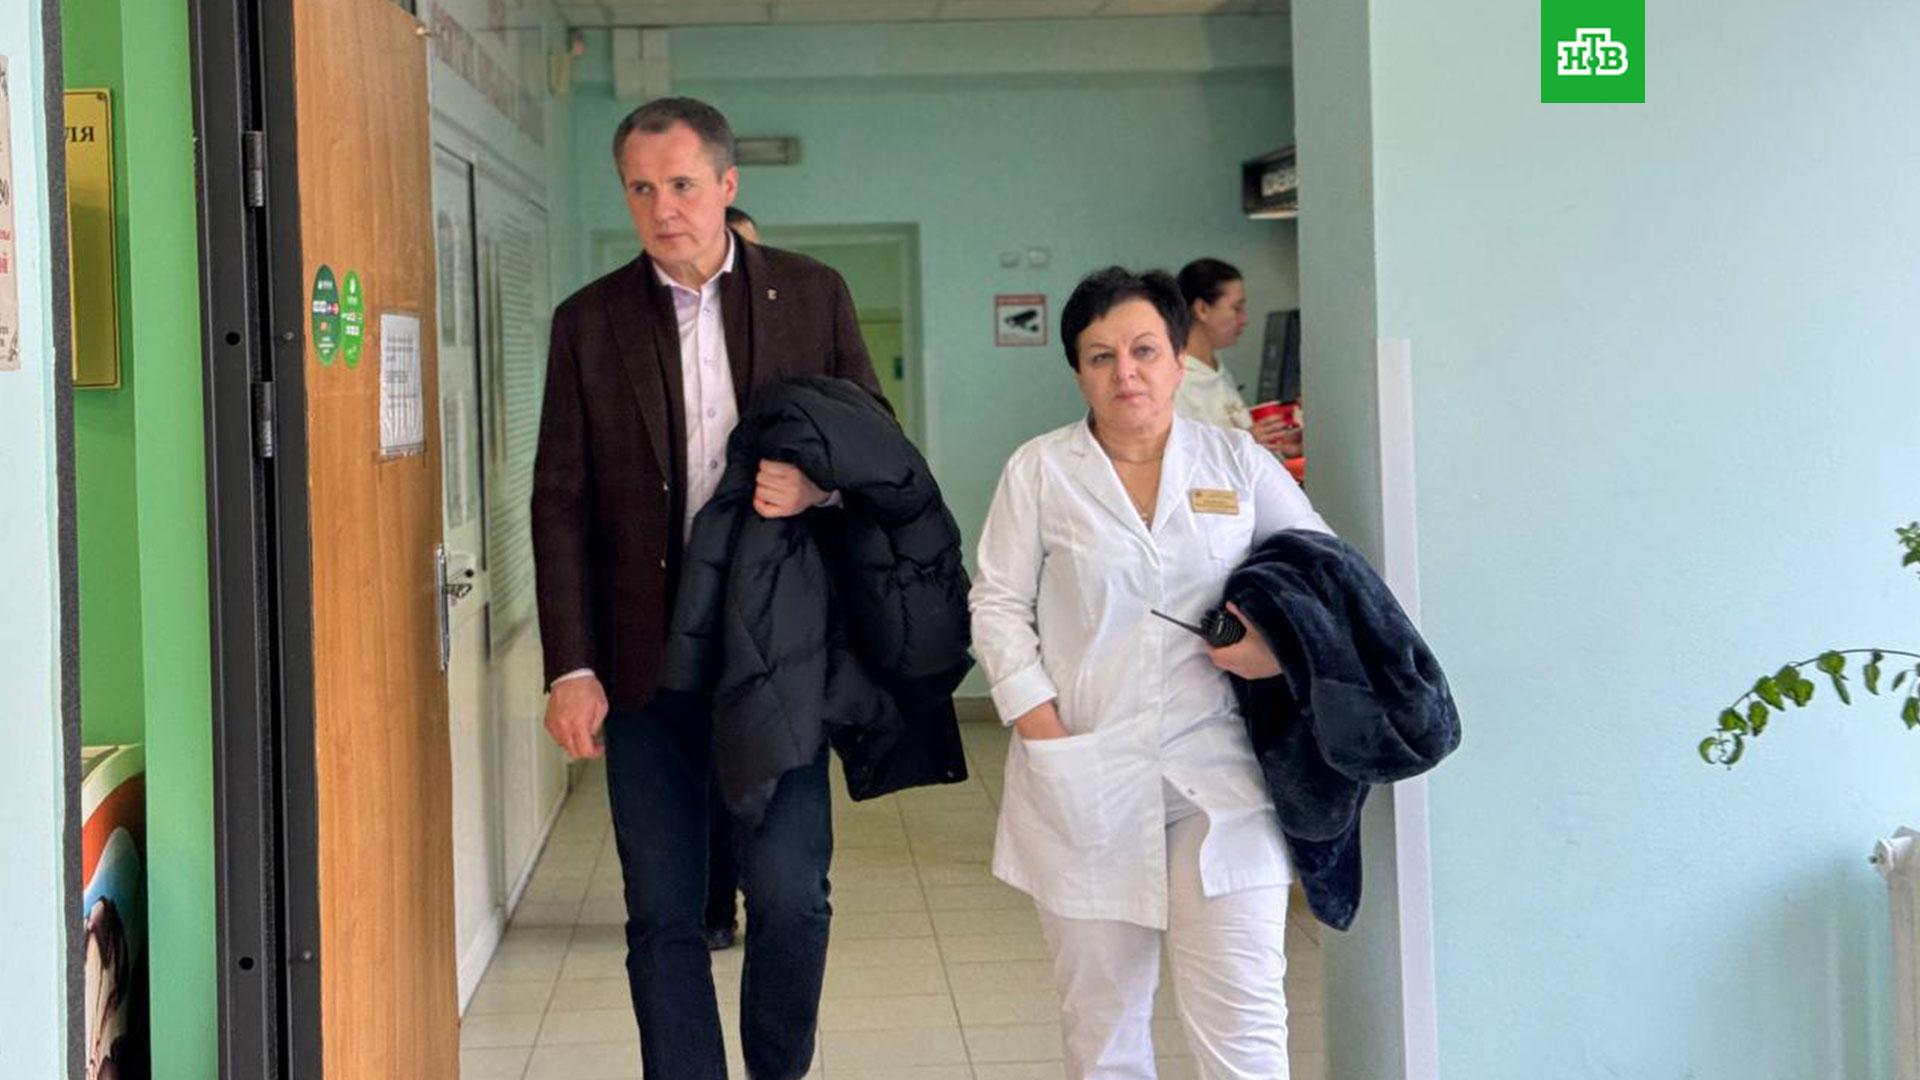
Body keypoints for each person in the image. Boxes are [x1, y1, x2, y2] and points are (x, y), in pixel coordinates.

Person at [532, 96, 885, 1080]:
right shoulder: (590, 323)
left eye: (683, 184)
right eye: (641, 189)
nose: (664, 208)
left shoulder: (810, 296)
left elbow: (877, 445)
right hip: (644, 660)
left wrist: (818, 485)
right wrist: (571, 666)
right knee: (664, 913)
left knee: (790, 897)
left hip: (776, 655)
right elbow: (559, 502)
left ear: (727, 186)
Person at [970, 266, 1332, 1080]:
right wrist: (1040, 724)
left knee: (1246, 1026)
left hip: (1222, 777)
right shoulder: (1040, 470)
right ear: (1078, 371)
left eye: (1143, 351)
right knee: (1104, 1034)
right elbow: (996, 602)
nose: (1124, 373)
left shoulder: (1236, 462)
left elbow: (1325, 576)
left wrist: (1276, 647)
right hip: (1087, 767)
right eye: (1100, 357)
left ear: (1177, 359)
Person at [1173, 258, 1302, 459]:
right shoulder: (1176, 380)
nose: (1244, 320)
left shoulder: (1215, 368)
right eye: (1236, 308)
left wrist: (1277, 446)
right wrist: (1245, 443)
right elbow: (1185, 458)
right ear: (1202, 309)